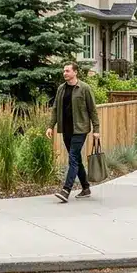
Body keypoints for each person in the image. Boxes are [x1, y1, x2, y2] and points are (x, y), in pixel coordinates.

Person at [47, 62, 101, 202]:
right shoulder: (61, 89)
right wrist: (50, 126)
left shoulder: (84, 88)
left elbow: (92, 110)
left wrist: (96, 129)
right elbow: (55, 109)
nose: (65, 73)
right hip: (66, 129)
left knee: (72, 158)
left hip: (80, 129)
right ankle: (86, 187)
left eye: (67, 71)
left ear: (75, 72)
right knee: (76, 158)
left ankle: (66, 190)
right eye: (64, 71)